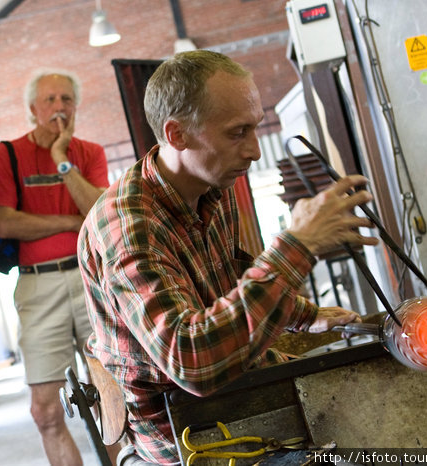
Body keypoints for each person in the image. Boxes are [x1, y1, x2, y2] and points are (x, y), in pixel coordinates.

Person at [78, 50, 380, 465]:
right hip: (187, 432)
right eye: (238, 133)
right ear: (177, 134)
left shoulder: (211, 189)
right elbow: (193, 363)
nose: (255, 151)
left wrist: (306, 315)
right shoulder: (130, 228)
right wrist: (296, 246)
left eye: (255, 129)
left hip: (241, 391)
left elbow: (231, 280)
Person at [0, 68, 110, 465]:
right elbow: (7, 222)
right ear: (33, 108)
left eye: (66, 99)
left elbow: (98, 211)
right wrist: (70, 222)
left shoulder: (89, 153)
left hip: (92, 281)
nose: (59, 107)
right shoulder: (7, 154)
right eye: (50, 100)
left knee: (115, 397)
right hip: (39, 288)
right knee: (46, 411)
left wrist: (61, 158)